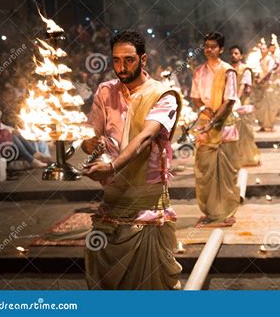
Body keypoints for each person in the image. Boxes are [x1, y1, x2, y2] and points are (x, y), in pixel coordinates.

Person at [82, 29, 182, 290]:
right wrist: (92, 145)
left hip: (146, 195)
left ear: (144, 59)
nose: (121, 67)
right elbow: (89, 137)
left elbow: (147, 138)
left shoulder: (164, 95)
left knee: (148, 274)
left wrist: (112, 165)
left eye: (128, 60)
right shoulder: (105, 92)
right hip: (113, 193)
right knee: (98, 251)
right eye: (115, 60)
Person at [190, 32, 240, 226]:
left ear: (221, 49)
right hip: (206, 125)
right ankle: (210, 211)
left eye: (213, 46)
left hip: (224, 126)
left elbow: (229, 101)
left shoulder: (228, 71)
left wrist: (215, 120)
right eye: (206, 46)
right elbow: (195, 97)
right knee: (205, 171)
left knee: (226, 173)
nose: (209, 50)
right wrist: (207, 113)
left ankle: (227, 212)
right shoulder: (199, 71)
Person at [229, 45, 260, 167]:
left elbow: (242, 86)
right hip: (230, 102)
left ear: (241, 56)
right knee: (232, 132)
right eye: (232, 53)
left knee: (245, 132)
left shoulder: (245, 69)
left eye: (236, 53)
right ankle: (235, 157)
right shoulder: (228, 68)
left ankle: (248, 157)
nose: (233, 55)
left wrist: (236, 100)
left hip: (241, 103)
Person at [253, 42, 277, 132]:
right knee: (260, 106)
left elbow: (269, 71)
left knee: (268, 105)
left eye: (264, 49)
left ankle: (268, 125)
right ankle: (263, 124)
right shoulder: (260, 59)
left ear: (267, 50)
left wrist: (261, 79)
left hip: (268, 85)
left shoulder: (270, 59)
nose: (262, 50)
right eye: (261, 49)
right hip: (260, 86)